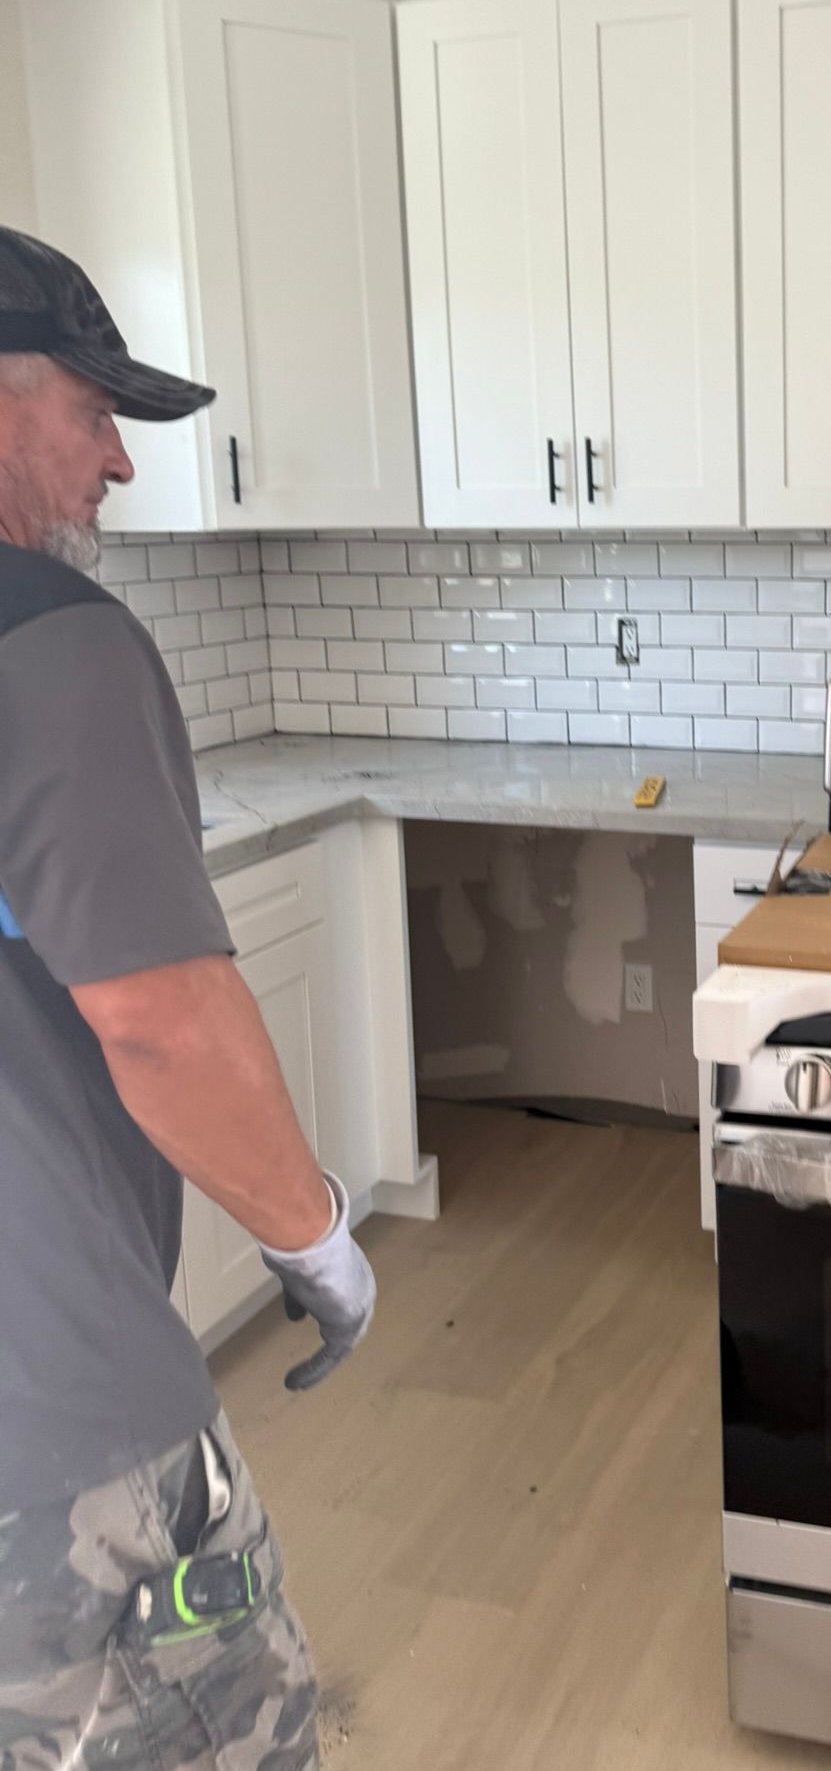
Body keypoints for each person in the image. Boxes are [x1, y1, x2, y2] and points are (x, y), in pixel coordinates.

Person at [0, 227, 376, 1769]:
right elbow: (158, 1012)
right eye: (96, 412)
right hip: (51, 1413)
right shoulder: (49, 643)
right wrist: (316, 1236)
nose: (121, 463)